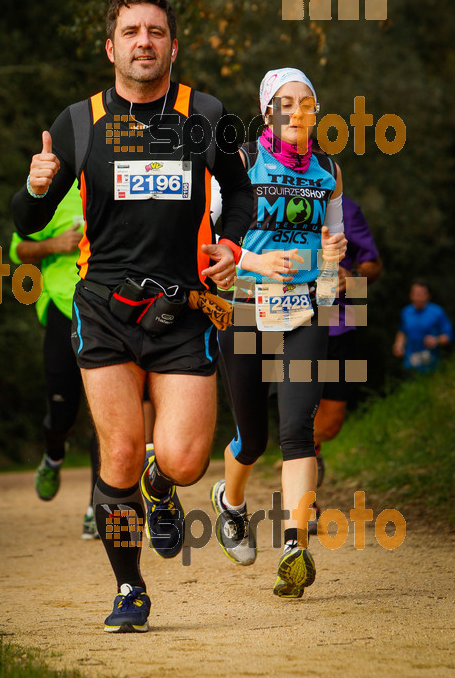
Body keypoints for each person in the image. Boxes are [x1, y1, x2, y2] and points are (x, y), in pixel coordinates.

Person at [12, 0, 253, 633]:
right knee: (115, 452)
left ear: (172, 45)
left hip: (183, 311)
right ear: (110, 46)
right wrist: (35, 189)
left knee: (182, 461)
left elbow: (242, 191)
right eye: (130, 32)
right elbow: (26, 218)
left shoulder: (206, 114)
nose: (142, 41)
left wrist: (230, 245)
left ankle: (161, 482)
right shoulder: (78, 122)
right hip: (104, 308)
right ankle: (130, 588)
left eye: (154, 31)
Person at [210, 67, 346, 599]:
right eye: (284, 102)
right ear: (266, 109)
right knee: (254, 440)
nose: (296, 111)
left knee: (298, 431)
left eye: (306, 102)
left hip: (304, 309)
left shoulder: (329, 169)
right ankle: (231, 502)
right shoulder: (240, 163)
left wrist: (331, 266)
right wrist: (257, 263)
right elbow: (209, 252)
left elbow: (333, 265)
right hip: (242, 307)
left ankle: (294, 545)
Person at [9, 184, 102, 538]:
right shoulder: (54, 192)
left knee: (105, 414)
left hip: (106, 315)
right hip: (63, 310)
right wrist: (54, 245)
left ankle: (99, 506)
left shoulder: (114, 178)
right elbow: (18, 249)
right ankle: (53, 454)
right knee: (62, 411)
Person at [313, 193, 382, 500]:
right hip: (286, 320)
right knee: (296, 414)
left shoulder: (349, 209)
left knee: (330, 424)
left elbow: (374, 266)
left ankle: (310, 449)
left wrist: (352, 277)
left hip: (339, 323)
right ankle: (304, 499)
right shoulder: (271, 197)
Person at [393, 281, 452, 372]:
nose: (418, 297)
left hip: (431, 363)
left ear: (428, 296)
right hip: (410, 362)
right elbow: (402, 331)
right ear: (410, 295)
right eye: (415, 294)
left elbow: (448, 336)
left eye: (421, 294)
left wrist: (436, 340)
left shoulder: (437, 312)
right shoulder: (406, 312)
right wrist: (399, 345)